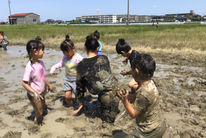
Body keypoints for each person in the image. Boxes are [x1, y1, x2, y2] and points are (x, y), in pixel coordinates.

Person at [117, 53, 166, 138]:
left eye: (131, 70)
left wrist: (124, 100)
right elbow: (138, 97)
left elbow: (133, 114)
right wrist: (128, 96)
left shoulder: (144, 93)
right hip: (160, 125)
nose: (130, 72)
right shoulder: (149, 82)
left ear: (136, 71)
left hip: (149, 131)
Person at [73, 35, 120, 123]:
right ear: (98, 48)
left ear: (85, 48)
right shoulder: (104, 58)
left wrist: (80, 103)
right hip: (117, 91)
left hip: (106, 97)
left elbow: (79, 87)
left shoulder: (81, 64)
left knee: (108, 121)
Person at [22, 39, 52, 125]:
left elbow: (43, 77)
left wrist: (49, 85)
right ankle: (37, 126)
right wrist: (34, 92)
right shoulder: (29, 67)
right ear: (35, 52)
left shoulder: (41, 63)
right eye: (42, 50)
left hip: (41, 92)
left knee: (43, 107)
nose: (43, 52)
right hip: (34, 95)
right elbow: (24, 83)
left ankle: (40, 116)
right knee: (39, 112)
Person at [50, 34, 83, 107]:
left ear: (73, 48)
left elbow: (84, 66)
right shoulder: (64, 57)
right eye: (63, 52)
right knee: (67, 97)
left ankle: (78, 107)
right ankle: (70, 107)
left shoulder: (78, 58)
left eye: (67, 52)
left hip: (77, 81)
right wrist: (53, 68)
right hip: (67, 80)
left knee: (78, 97)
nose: (65, 54)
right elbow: (61, 64)